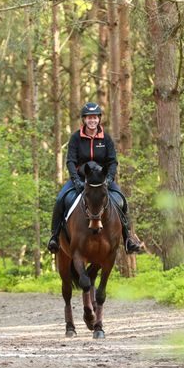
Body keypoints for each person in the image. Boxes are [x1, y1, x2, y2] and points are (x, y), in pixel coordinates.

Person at [47, 102, 143, 255]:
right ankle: (54, 237)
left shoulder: (106, 139)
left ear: (99, 119)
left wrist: (109, 179)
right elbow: (70, 161)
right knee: (60, 199)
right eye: (89, 118)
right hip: (80, 179)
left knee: (122, 200)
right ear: (84, 120)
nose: (92, 121)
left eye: (95, 118)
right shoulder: (76, 138)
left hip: (102, 181)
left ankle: (129, 238)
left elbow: (112, 161)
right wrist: (76, 180)